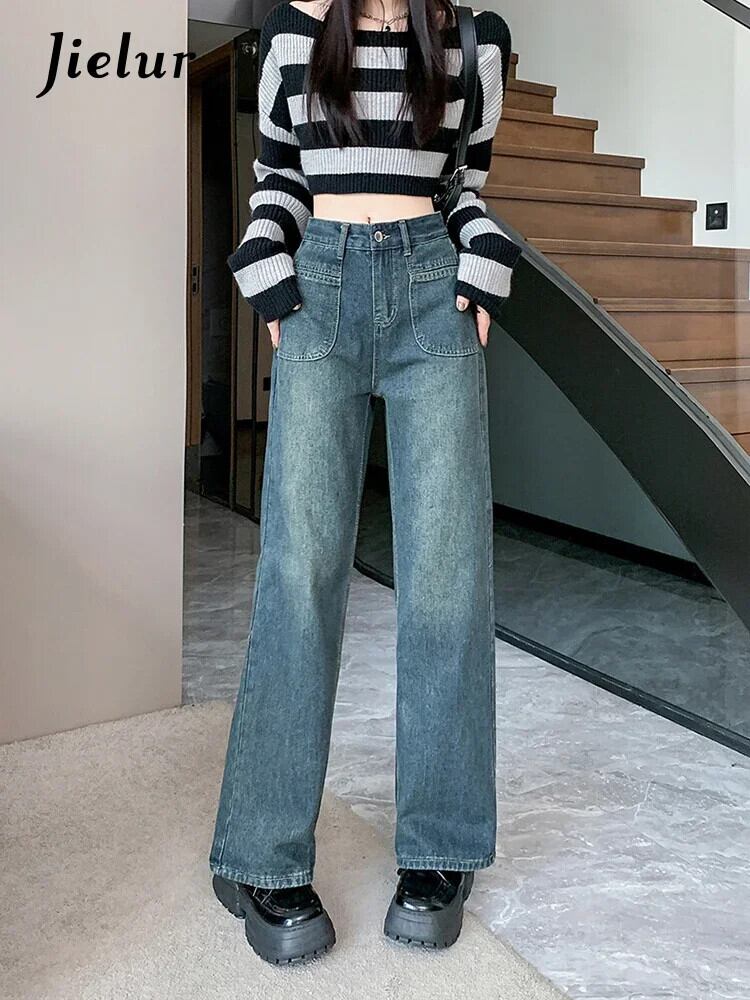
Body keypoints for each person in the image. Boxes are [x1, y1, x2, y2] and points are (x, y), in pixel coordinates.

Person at [209, 0, 520, 965]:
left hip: (432, 297)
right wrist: (268, 273)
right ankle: (259, 853)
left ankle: (440, 849)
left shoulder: (471, 40)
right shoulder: (295, 31)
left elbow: (464, 183)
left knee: (448, 579)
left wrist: (480, 258)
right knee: (299, 575)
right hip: (322, 289)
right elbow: (278, 180)